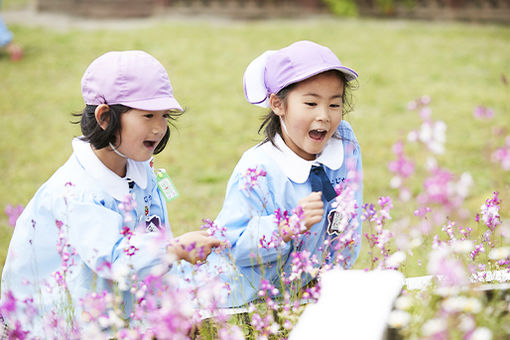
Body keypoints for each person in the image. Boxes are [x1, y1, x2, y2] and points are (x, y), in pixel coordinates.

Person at [0, 50, 221, 335]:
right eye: (148, 115)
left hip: (109, 311)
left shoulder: (141, 172)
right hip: (51, 323)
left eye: (165, 115)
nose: (159, 127)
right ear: (105, 117)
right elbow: (114, 260)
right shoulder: (77, 192)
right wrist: (174, 249)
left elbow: (152, 237)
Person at [187, 40, 364, 307]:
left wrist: (330, 277)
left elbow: (349, 218)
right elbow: (230, 244)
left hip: (305, 295)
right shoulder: (257, 169)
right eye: (311, 103)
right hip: (240, 302)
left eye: (334, 105)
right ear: (278, 104)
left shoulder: (344, 142)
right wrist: (285, 227)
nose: (324, 116)